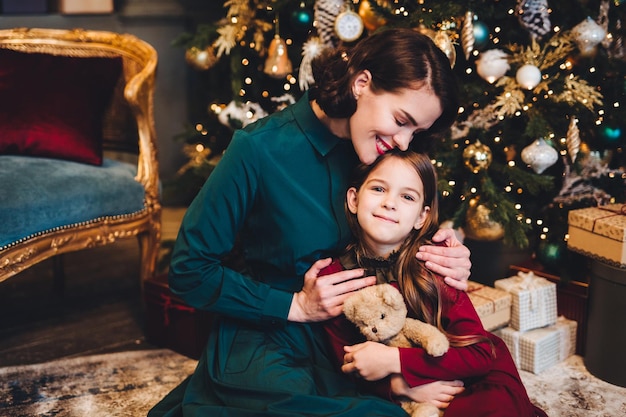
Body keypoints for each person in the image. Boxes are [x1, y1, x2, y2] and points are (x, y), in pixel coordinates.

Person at [149, 28, 471, 417]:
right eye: (401, 120)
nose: (405, 142)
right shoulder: (259, 150)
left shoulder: (388, 154)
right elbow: (189, 271)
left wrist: (447, 256)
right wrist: (295, 306)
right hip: (269, 338)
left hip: (355, 337)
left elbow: (405, 230)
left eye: (416, 131)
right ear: (361, 83)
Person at [323, 149, 548, 416]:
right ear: (353, 199)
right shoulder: (336, 278)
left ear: (421, 216)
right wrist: (398, 386)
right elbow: (346, 364)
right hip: (398, 389)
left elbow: (480, 354)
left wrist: (396, 360)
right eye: (379, 189)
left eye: (407, 196)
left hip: (466, 370)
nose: (390, 203)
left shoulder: (436, 264)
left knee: (493, 407)